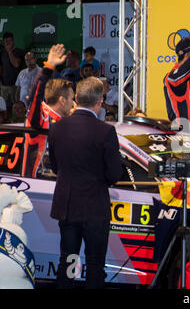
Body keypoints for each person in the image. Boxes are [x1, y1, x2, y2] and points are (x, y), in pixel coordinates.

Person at [48, 76, 123, 289]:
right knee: (95, 264)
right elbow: (114, 174)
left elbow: (55, 168)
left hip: (67, 207)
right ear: (99, 101)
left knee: (69, 261)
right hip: (94, 209)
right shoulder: (106, 131)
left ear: (77, 99)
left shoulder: (57, 129)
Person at [22, 44, 75, 178]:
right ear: (62, 100)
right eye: (72, 99)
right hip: (35, 189)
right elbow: (34, 97)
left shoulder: (63, 122)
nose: (74, 103)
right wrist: (49, 67)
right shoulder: (41, 118)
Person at [0, 32, 25, 113]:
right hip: (4, 86)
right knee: (4, 109)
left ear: (13, 40)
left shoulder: (19, 51)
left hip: (15, 86)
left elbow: (16, 64)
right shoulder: (3, 53)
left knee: (16, 109)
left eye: (9, 41)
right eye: (6, 41)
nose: (7, 43)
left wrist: (9, 51)